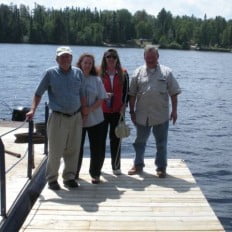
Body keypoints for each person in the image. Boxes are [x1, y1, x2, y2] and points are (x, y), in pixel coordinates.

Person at [26, 46, 87, 190]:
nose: (65, 59)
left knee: (73, 149)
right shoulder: (50, 73)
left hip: (76, 117)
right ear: (57, 59)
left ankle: (69, 177)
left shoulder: (78, 73)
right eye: (62, 57)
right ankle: (52, 179)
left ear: (71, 58)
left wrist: (85, 113)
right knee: (55, 151)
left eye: (67, 56)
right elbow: (38, 93)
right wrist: (33, 109)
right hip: (58, 117)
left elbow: (83, 94)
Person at [128, 45, 181, 178]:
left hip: (161, 116)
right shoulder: (137, 72)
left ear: (158, 57)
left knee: (161, 144)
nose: (150, 60)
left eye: (153, 57)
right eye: (148, 57)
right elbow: (132, 94)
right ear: (144, 57)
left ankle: (161, 168)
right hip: (141, 115)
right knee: (139, 142)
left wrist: (174, 111)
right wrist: (131, 112)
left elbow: (174, 93)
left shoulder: (167, 72)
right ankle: (138, 165)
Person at [76, 53, 107, 184]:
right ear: (80, 63)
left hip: (96, 119)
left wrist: (89, 109)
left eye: (90, 63)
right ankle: (73, 173)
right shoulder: (74, 77)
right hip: (78, 119)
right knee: (76, 148)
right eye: (85, 62)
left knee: (97, 148)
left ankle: (95, 174)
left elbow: (101, 98)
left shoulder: (97, 80)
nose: (87, 65)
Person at [99, 48, 129, 175]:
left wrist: (124, 106)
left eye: (113, 57)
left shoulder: (123, 73)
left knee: (116, 139)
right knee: (99, 140)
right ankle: (97, 167)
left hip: (118, 111)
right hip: (101, 111)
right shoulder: (98, 73)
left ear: (117, 59)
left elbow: (127, 92)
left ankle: (116, 166)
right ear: (104, 59)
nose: (111, 59)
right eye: (108, 57)